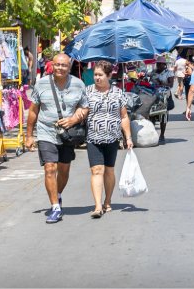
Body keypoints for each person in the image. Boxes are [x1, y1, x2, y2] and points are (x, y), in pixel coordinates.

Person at [26, 53, 89, 224]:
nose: (60, 68)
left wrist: (73, 119)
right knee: (50, 168)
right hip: (46, 131)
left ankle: (57, 194)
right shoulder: (41, 85)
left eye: (64, 65)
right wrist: (29, 135)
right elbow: (33, 111)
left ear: (69, 67)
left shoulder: (78, 84)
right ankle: (55, 207)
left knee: (64, 170)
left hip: (67, 134)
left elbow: (84, 107)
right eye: (57, 65)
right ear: (52, 66)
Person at [81, 61, 133, 218]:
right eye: (95, 75)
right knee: (97, 170)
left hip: (112, 138)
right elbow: (82, 111)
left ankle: (107, 201)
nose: (97, 78)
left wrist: (128, 137)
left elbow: (124, 116)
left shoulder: (118, 93)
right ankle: (98, 206)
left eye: (100, 75)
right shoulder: (87, 91)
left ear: (109, 76)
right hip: (93, 138)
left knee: (109, 171)